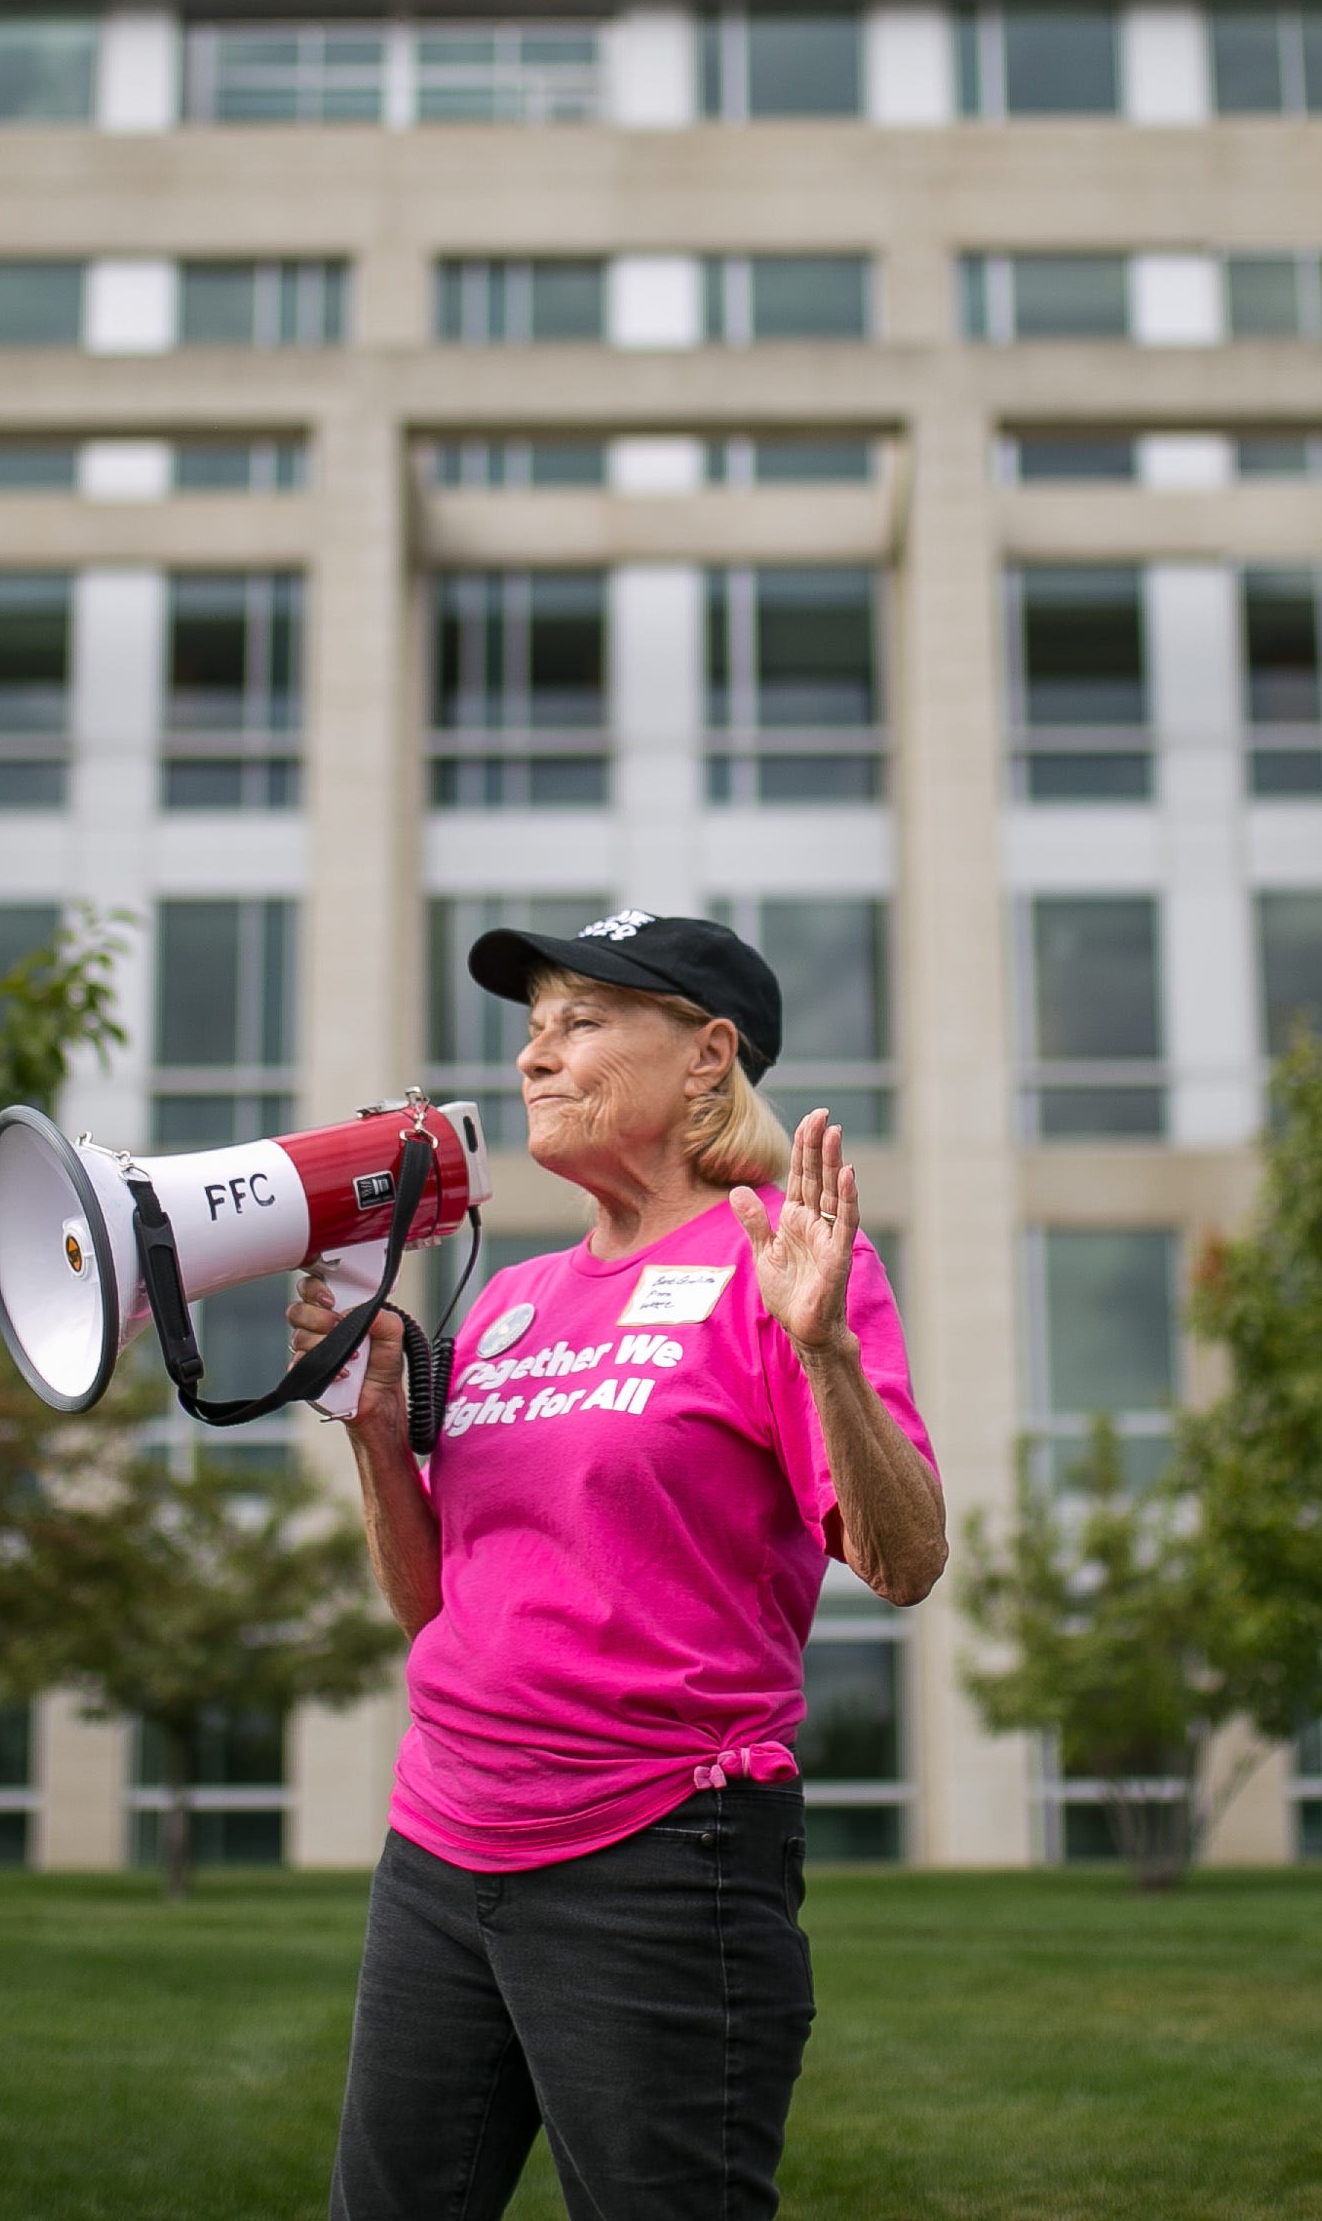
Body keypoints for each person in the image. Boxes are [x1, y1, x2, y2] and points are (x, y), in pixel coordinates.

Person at [287, 908, 945, 2221]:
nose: (536, 1058)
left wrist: (818, 1350)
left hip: (655, 1851)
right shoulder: (514, 1300)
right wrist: (373, 1425)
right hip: (439, 1847)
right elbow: (436, 1604)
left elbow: (907, 1558)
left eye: (581, 1021)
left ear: (708, 1056)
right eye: (532, 1030)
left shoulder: (784, 1265)